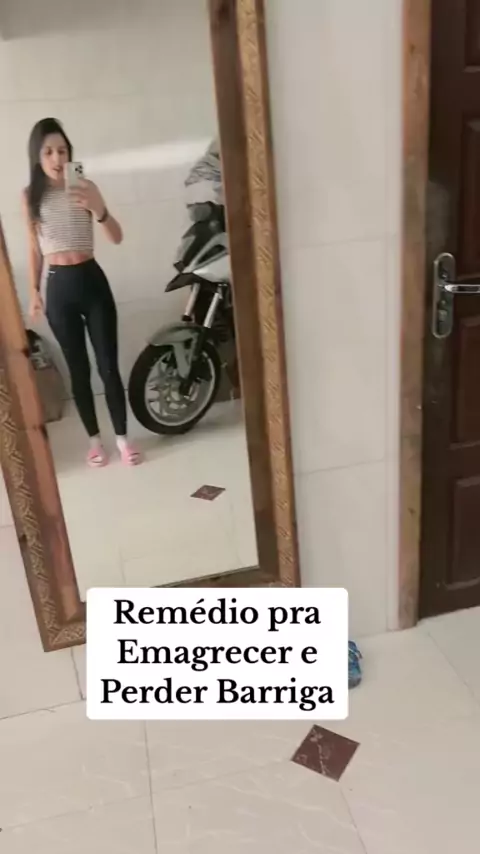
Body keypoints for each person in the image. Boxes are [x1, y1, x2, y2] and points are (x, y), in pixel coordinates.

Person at [23, 118, 141, 468]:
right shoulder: (31, 197)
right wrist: (34, 290)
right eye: (48, 152)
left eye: (62, 150)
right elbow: (33, 248)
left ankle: (123, 440)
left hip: (92, 280)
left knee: (108, 366)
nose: (57, 158)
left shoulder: (86, 187)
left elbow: (116, 236)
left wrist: (98, 209)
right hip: (58, 286)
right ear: (37, 156)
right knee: (79, 370)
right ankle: (94, 442)